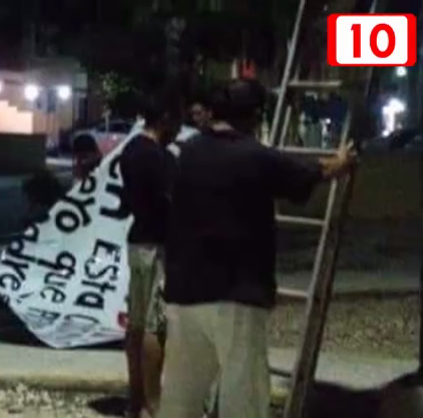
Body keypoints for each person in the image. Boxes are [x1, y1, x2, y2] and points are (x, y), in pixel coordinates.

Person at [159, 79, 356, 418]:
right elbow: (308, 174)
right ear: (254, 116)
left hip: (184, 291)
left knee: (180, 396)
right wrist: (340, 162)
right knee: (243, 396)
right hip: (236, 293)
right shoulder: (255, 156)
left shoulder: (188, 153)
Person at [119, 94, 181, 418]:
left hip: (137, 242)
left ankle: (135, 399)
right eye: (177, 122)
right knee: (156, 327)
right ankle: (153, 403)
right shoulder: (161, 158)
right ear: (165, 119)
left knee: (136, 324)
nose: (179, 130)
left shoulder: (129, 150)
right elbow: (174, 201)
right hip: (159, 246)